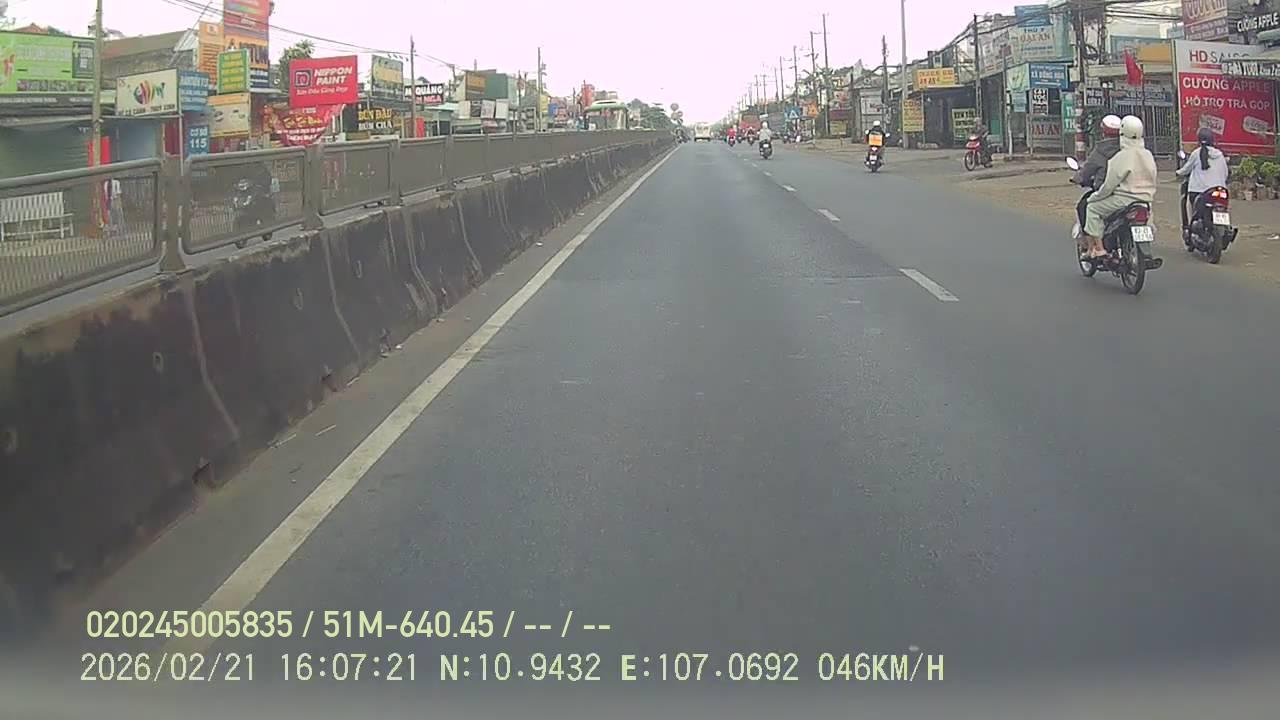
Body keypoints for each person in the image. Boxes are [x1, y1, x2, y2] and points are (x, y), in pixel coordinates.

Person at [1082, 115, 1158, 259]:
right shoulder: (1148, 155)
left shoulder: (1121, 156)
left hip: (1123, 200)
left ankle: (1099, 249)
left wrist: (1095, 197)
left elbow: (1109, 186)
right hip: (1146, 201)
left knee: (1091, 208)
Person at [1175, 127, 1230, 237]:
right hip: (1220, 190)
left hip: (1199, 191)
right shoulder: (1220, 154)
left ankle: (1190, 228)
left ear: (1199, 140)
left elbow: (1186, 169)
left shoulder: (1196, 153)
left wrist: (1178, 172)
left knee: (1191, 208)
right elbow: (1226, 173)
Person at [1073, 114, 1123, 228]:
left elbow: (1087, 170)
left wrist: (1078, 177)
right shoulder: (1129, 148)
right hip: (1133, 193)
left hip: (1106, 191)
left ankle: (1092, 237)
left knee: (1085, 207)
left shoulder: (1101, 150)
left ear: (1103, 132)